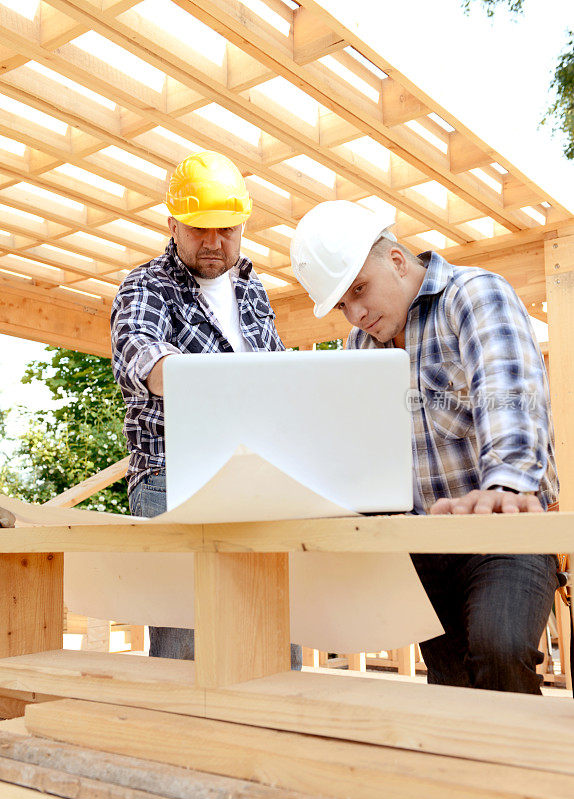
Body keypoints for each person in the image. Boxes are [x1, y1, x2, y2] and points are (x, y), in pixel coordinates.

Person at [290, 199, 559, 694]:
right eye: (343, 304)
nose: (357, 312)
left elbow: (511, 394)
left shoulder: (475, 296)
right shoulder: (360, 347)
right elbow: (360, 449)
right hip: (421, 547)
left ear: (395, 260)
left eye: (359, 290)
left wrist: (505, 483)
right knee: (451, 684)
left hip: (504, 532)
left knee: (498, 654)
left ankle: (524, 771)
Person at [111, 150, 300, 668]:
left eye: (227, 229)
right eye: (200, 229)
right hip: (174, 479)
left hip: (259, 475)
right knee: (186, 651)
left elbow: (277, 374)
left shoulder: (253, 290)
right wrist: (238, 387)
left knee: (276, 636)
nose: (215, 243)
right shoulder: (146, 285)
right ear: (173, 223)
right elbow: (143, 359)